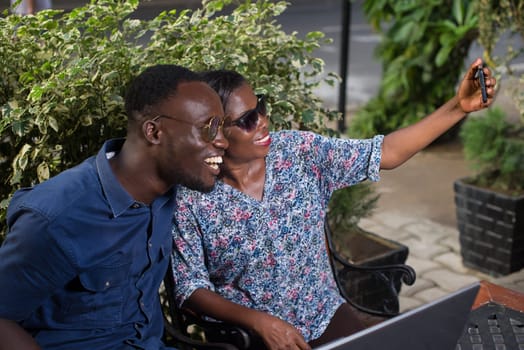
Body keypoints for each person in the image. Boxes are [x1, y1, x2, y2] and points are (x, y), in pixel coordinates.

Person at [170, 58, 497, 350]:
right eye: (247, 120)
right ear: (216, 133)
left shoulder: (298, 153)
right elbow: (190, 286)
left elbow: (385, 153)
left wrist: (458, 107)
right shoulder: (194, 197)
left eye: (262, 108)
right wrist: (259, 322)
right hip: (248, 337)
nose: (263, 122)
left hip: (324, 313)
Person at [0, 64, 229, 349]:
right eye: (209, 128)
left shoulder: (168, 192)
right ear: (154, 132)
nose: (223, 141)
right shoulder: (57, 217)